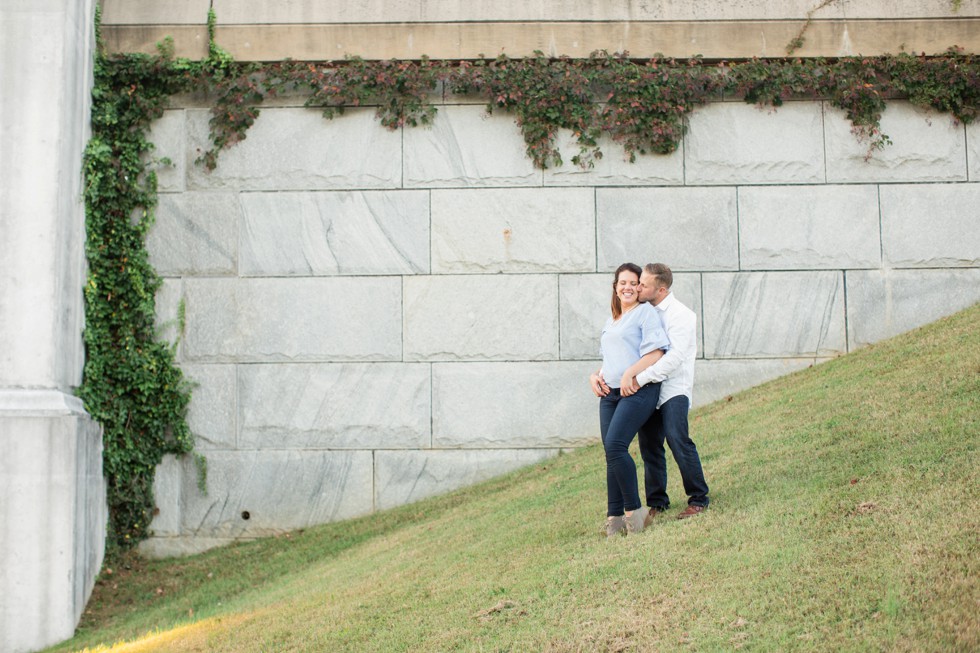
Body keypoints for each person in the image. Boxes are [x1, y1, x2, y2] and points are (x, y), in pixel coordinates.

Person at [622, 263, 710, 521]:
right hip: (649, 389)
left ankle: (698, 498)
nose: (638, 288)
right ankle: (658, 502)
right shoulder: (642, 312)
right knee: (649, 446)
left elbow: (674, 359)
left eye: (643, 285)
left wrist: (639, 378)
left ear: (660, 289)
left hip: (673, 389)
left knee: (677, 439)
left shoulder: (682, 315)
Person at [589, 263, 670, 539]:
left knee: (615, 445)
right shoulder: (612, 319)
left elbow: (657, 352)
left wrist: (630, 373)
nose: (627, 287)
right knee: (611, 453)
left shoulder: (644, 313)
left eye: (633, 283)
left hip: (638, 390)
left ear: (639, 287)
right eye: (622, 282)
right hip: (609, 393)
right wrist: (595, 376)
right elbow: (610, 359)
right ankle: (614, 520)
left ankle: (635, 514)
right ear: (615, 287)